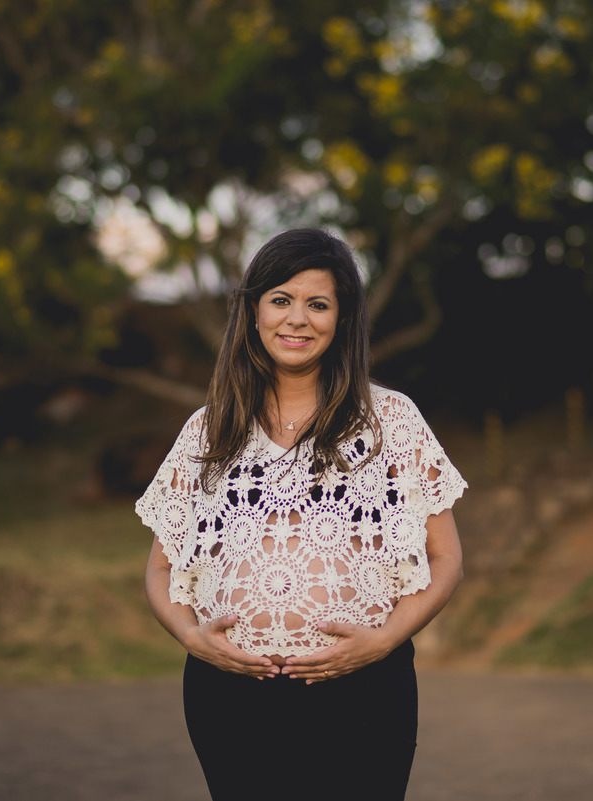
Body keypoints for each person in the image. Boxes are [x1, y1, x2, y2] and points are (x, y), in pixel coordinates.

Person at [138, 228, 466, 801]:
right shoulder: (208, 428)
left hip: (365, 691)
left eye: (318, 304)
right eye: (281, 299)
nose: (298, 320)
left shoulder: (390, 420)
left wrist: (384, 640)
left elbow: (446, 557)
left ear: (342, 321)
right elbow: (163, 568)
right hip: (229, 697)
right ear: (255, 311)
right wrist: (191, 636)